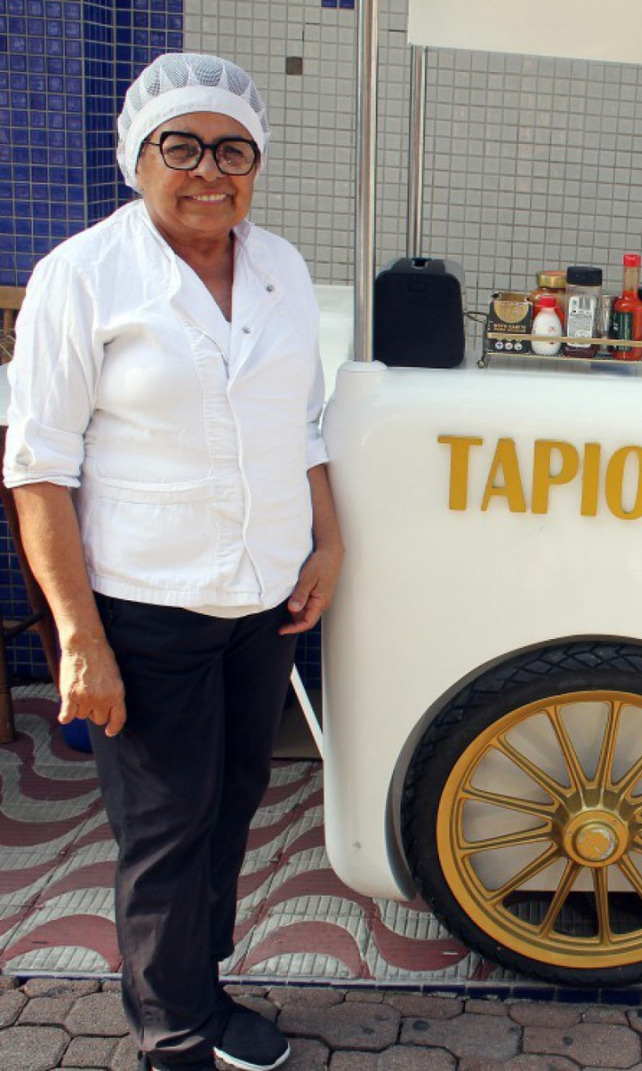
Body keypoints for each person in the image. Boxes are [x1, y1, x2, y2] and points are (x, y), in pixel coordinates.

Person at [4, 53, 342, 1071]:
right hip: (145, 608)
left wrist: (328, 542)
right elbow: (37, 469)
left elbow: (307, 429)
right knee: (164, 828)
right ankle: (171, 1030)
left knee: (235, 799)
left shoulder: (278, 267)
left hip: (261, 600)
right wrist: (77, 639)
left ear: (258, 164)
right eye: (181, 146)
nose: (209, 170)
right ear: (136, 158)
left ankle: (204, 984)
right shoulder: (84, 276)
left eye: (233, 149)